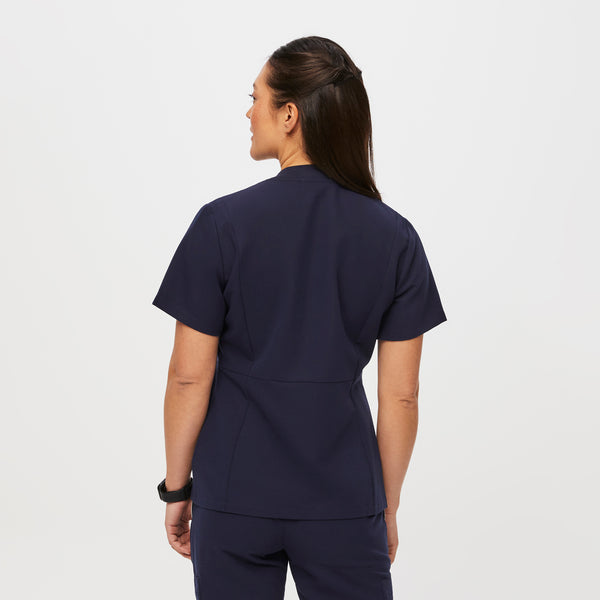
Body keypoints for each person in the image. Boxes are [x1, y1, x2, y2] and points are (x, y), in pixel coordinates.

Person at [152, 35, 447, 600]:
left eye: (256, 98)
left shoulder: (221, 224)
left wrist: (177, 488)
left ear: (289, 115)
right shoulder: (395, 237)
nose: (248, 112)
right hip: (344, 499)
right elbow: (402, 396)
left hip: (234, 493)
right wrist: (383, 507)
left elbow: (188, 376)